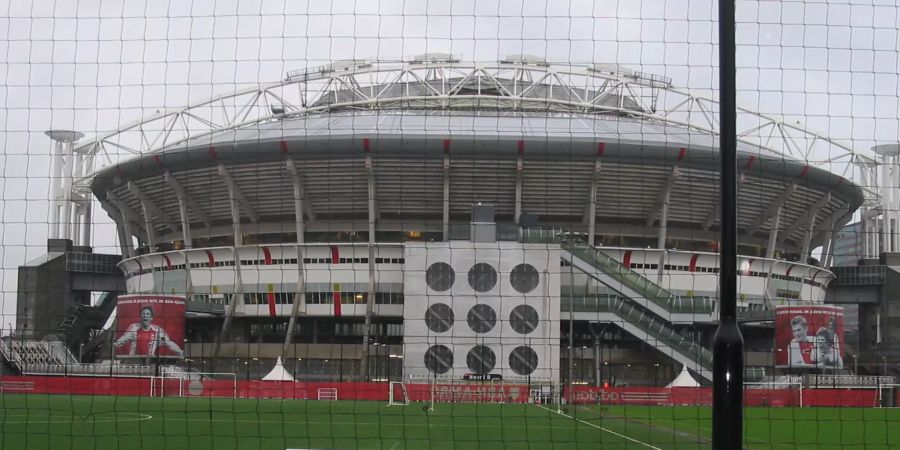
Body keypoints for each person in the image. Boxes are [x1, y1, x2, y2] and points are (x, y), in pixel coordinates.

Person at [114, 306, 184, 358]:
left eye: (147, 314)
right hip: (133, 361)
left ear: (151, 318)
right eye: (143, 314)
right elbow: (122, 340)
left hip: (149, 361)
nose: (145, 316)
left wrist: (180, 352)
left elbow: (169, 343)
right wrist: (115, 345)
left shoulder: (157, 331)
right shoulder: (133, 328)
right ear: (140, 317)